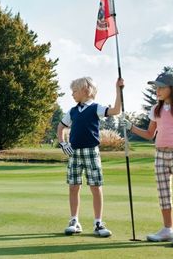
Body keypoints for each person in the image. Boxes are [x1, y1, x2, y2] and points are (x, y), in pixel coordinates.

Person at [123, 67, 173, 247]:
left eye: (161, 87)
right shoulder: (156, 109)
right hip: (160, 154)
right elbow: (149, 134)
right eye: (156, 87)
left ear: (172, 88)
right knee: (163, 195)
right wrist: (130, 127)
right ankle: (167, 229)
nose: (157, 90)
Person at [57, 77, 124, 237]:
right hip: (74, 153)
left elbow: (116, 110)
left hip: (91, 152)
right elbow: (61, 127)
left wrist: (118, 90)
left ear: (85, 91)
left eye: (74, 91)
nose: (72, 94)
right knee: (73, 186)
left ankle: (98, 223)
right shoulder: (72, 111)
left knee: (95, 187)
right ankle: (74, 221)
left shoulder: (96, 108)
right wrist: (62, 143)